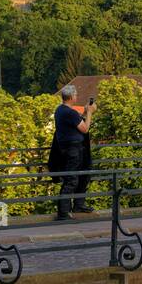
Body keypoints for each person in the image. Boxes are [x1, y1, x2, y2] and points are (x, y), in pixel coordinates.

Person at [49, 85, 95, 220]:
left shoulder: (60, 110)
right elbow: (85, 128)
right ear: (71, 97)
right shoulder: (69, 112)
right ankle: (63, 212)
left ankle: (78, 205)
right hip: (73, 150)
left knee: (83, 176)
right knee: (72, 180)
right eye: (75, 95)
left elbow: (78, 122)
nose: (76, 97)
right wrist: (90, 112)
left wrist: (86, 112)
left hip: (70, 149)